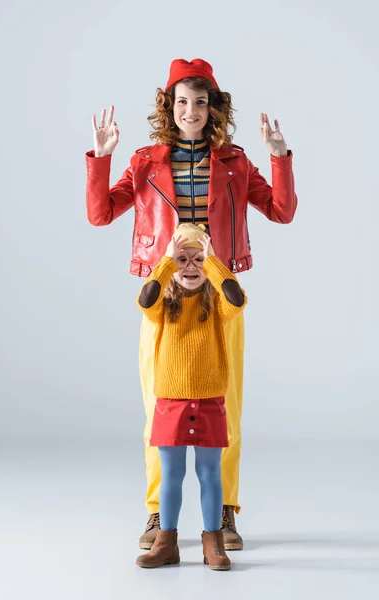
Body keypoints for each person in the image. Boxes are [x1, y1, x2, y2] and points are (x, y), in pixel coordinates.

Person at [85, 58, 297, 550]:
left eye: (200, 101)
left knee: (228, 406)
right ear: (169, 106)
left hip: (220, 296)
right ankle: (160, 514)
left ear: (214, 107)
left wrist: (280, 157)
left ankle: (223, 513)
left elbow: (282, 212)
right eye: (182, 101)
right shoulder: (144, 161)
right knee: (158, 406)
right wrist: (101, 158)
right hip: (164, 296)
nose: (191, 110)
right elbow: (100, 215)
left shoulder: (237, 162)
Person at [135, 223, 247, 570]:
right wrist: (168, 260)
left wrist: (212, 261)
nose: (190, 267)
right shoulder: (162, 303)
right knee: (171, 474)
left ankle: (213, 542)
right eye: (182, 259)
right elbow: (145, 298)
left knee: (210, 474)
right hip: (170, 402)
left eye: (197, 259)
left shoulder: (216, 304)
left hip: (211, 401)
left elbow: (237, 298)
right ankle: (166, 542)